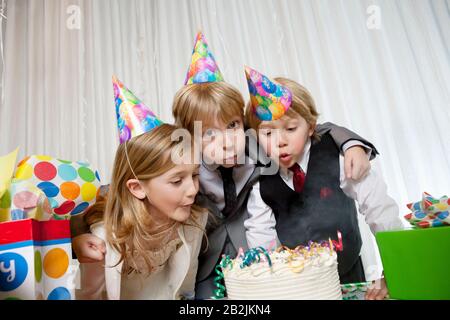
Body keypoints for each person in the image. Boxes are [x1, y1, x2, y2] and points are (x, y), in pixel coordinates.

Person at [244, 67, 404, 300]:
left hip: (349, 275)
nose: (280, 142)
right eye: (268, 133)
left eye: (290, 129)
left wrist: (393, 270)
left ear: (310, 126)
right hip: (297, 289)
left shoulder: (339, 157)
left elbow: (380, 209)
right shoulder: (261, 184)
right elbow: (260, 241)